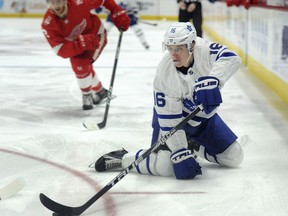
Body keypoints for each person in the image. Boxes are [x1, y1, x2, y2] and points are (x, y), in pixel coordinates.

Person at [93, 22, 244, 180]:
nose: (173, 54)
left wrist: (214, 79)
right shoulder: (165, 73)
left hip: (203, 121)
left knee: (234, 157)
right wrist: (179, 151)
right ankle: (123, 159)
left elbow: (232, 58)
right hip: (175, 122)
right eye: (170, 48)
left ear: (192, 45)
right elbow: (169, 120)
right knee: (166, 166)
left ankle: (194, 146)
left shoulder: (204, 50)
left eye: (178, 48)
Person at [41, 0, 130, 110]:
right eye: (52, 2)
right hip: (76, 43)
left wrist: (116, 11)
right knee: (81, 65)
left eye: (58, 1)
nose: (56, 5)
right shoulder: (48, 24)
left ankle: (88, 95)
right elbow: (61, 50)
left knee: (81, 64)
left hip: (96, 35)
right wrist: (80, 44)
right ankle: (100, 92)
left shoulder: (80, 2)